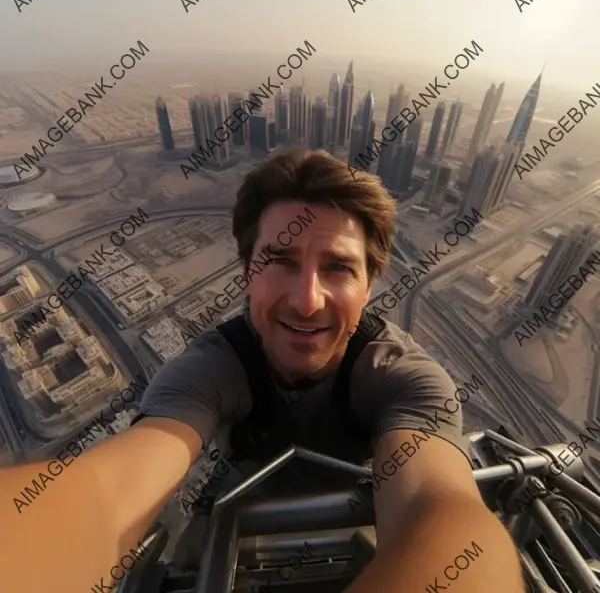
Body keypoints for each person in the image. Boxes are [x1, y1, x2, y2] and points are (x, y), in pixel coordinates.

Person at [0, 149, 525, 593]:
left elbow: (441, 517)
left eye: (339, 268)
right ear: (247, 274)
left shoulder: (407, 379)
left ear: (370, 287)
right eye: (280, 261)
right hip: (238, 531)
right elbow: (110, 491)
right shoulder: (209, 369)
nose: (306, 300)